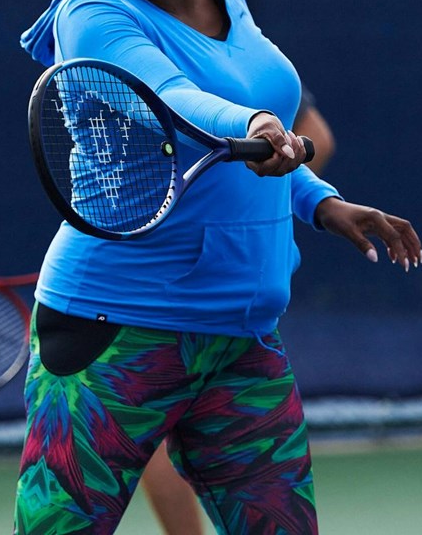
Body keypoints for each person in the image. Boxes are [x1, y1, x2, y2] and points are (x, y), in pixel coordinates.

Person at [16, 0, 422, 535]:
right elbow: (171, 100)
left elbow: (238, 156)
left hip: (240, 337)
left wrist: (321, 202)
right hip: (114, 330)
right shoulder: (92, 13)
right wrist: (260, 121)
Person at [137, 92, 336, 535]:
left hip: (230, 307)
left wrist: (246, 214)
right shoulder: (107, 30)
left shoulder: (244, 48)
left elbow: (315, 137)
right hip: (137, 300)